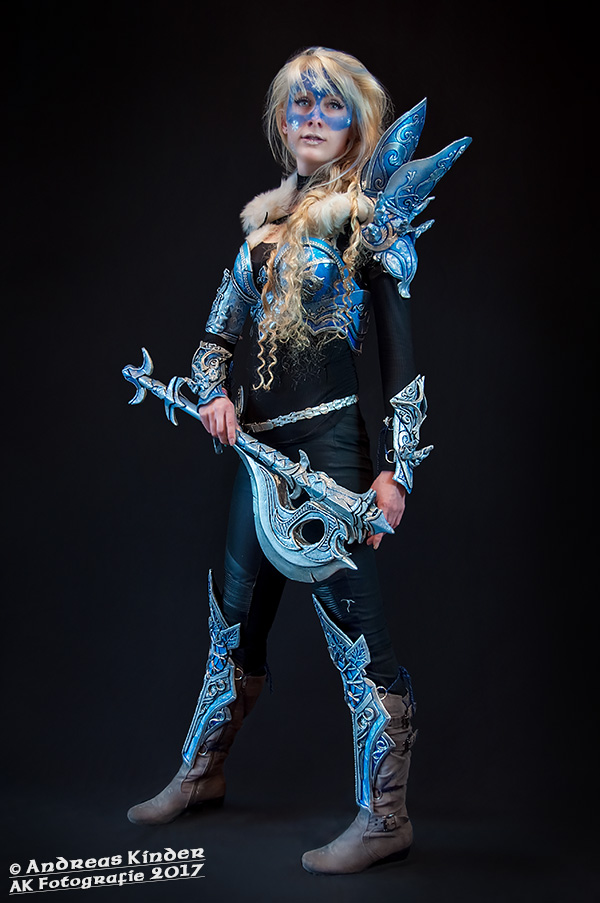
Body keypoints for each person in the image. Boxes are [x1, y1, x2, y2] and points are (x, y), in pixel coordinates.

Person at [126, 46, 470, 875]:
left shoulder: (367, 221)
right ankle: (201, 773)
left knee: (359, 641)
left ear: (357, 123)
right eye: (299, 104)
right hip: (259, 455)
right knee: (232, 621)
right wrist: (212, 392)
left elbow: (400, 360)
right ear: (282, 121)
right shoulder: (262, 228)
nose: (313, 118)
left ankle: (385, 816)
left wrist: (396, 471)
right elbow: (215, 340)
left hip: (333, 457)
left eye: (331, 105)